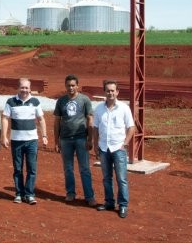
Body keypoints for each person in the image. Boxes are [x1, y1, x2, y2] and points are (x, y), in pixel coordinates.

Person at [92, 79, 136, 218]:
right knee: (106, 178)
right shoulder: (99, 109)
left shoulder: (124, 108)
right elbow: (95, 128)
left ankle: (123, 205)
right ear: (104, 92)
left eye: (113, 90)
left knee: (121, 178)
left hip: (118, 148)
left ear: (117, 92)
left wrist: (125, 143)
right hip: (104, 148)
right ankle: (109, 202)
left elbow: (131, 127)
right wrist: (95, 145)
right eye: (108, 90)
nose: (110, 93)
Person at [1, 78, 48, 205]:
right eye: (22, 87)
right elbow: (5, 118)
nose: (24, 90)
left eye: (27, 88)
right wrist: (4, 136)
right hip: (16, 140)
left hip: (32, 140)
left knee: (32, 168)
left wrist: (44, 135)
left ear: (30, 88)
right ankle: (19, 194)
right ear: (18, 88)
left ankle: (29, 194)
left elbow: (41, 119)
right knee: (18, 169)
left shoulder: (35, 101)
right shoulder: (11, 102)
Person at [53, 74, 96, 206]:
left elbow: (90, 119)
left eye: (73, 85)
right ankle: (70, 193)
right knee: (68, 168)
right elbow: (57, 122)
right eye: (68, 85)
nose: (70, 88)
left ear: (77, 86)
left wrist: (90, 139)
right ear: (65, 86)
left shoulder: (84, 100)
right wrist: (56, 141)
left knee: (84, 168)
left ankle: (89, 196)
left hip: (81, 138)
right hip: (65, 139)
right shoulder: (61, 101)